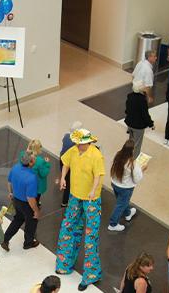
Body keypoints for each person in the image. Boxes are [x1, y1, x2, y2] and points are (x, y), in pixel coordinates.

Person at [55, 128, 104, 291]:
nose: (77, 145)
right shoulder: (73, 151)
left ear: (87, 142)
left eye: (79, 143)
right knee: (68, 226)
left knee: (90, 237)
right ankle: (64, 263)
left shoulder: (96, 155)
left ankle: (91, 274)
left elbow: (98, 175)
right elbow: (65, 164)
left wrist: (93, 189)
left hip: (91, 200)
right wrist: (62, 178)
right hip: (75, 195)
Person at [2, 155, 40, 250]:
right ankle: (28, 243)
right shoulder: (32, 177)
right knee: (31, 222)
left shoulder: (15, 168)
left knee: (18, 219)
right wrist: (36, 210)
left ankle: (5, 239)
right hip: (26, 204)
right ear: (30, 163)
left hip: (15, 200)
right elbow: (30, 198)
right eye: (34, 159)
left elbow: (9, 182)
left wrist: (11, 192)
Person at [108, 140, 146, 231]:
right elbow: (137, 178)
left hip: (115, 183)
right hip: (125, 188)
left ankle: (128, 213)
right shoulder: (132, 164)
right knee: (120, 204)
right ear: (132, 151)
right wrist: (142, 169)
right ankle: (113, 224)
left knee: (122, 202)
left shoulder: (118, 155)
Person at [125, 80, 154, 155]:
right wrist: (151, 124)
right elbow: (145, 114)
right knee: (137, 144)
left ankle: (128, 155)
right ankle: (133, 160)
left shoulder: (130, 96)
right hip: (138, 126)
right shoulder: (142, 100)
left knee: (131, 141)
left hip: (129, 123)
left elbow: (127, 110)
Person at [19, 140, 50, 204]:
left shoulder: (22, 154)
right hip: (36, 185)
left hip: (25, 179)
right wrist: (46, 163)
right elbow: (43, 173)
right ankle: (35, 205)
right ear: (37, 149)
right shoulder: (40, 161)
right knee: (36, 197)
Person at [58, 121, 81, 207]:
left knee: (65, 179)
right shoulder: (76, 142)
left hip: (61, 159)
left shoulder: (66, 135)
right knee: (68, 183)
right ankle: (65, 201)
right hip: (69, 163)